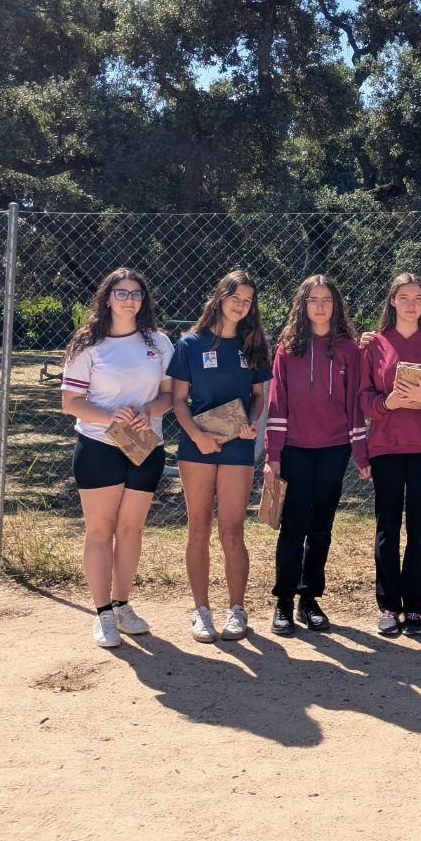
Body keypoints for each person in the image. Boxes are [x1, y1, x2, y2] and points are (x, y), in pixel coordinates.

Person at [61, 268, 174, 648]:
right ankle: (103, 614)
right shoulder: (87, 343)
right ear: (107, 298)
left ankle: (122, 605)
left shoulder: (158, 342)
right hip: (99, 447)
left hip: (145, 447)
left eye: (136, 293)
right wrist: (111, 416)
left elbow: (169, 396)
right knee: (99, 530)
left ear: (144, 300)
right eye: (121, 293)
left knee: (131, 530)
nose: (129, 300)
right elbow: (70, 402)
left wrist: (149, 410)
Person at [264, 275, 371, 636]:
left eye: (327, 300)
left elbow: (355, 405)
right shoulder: (287, 348)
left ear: (335, 305)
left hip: (333, 448)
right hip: (294, 448)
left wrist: (360, 453)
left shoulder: (349, 349)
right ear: (303, 305)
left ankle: (309, 599)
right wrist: (273, 454)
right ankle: (283, 600)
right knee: (293, 525)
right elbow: (277, 403)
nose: (320, 306)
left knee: (321, 525)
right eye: (313, 300)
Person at [169, 269, 271, 643]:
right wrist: (198, 436)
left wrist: (252, 423)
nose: (241, 305)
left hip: (237, 448)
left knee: (232, 530)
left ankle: (236, 609)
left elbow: (258, 397)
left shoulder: (253, 344)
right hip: (197, 447)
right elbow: (178, 400)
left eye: (247, 300)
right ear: (220, 297)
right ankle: (201, 611)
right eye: (235, 297)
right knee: (198, 526)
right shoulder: (189, 344)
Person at [359, 272, 421, 637]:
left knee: (419, 527)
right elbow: (363, 398)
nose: (411, 304)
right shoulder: (375, 344)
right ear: (392, 301)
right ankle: (388, 606)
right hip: (385, 445)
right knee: (387, 526)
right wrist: (386, 403)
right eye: (404, 297)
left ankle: (415, 608)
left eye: (418, 298)